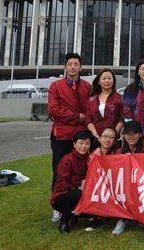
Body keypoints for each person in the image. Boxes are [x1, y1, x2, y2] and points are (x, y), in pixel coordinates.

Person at [48, 52, 90, 223]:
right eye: (70, 64)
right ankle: (57, 206)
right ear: (65, 67)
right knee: (59, 171)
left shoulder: (87, 87)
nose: (73, 67)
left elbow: (90, 108)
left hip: (80, 136)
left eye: (76, 64)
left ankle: (80, 204)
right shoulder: (56, 86)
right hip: (62, 136)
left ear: (80, 67)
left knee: (82, 171)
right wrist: (77, 117)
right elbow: (54, 110)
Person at [50, 130, 92, 234]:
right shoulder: (67, 159)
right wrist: (80, 189)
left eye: (87, 144)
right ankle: (64, 222)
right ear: (74, 144)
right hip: (63, 195)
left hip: (83, 192)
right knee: (77, 194)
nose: (84, 146)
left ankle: (75, 216)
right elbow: (64, 182)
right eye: (81, 143)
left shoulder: (90, 158)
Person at [112, 120, 144, 236]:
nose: (131, 137)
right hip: (124, 186)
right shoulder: (119, 152)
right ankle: (122, 218)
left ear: (140, 134)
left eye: (134, 133)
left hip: (141, 185)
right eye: (128, 134)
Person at [85, 68, 123, 143]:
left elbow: (121, 119)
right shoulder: (91, 100)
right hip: (96, 139)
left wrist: (112, 136)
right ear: (99, 81)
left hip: (113, 140)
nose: (107, 81)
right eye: (104, 78)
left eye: (109, 78)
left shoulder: (120, 98)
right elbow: (88, 120)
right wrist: (97, 136)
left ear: (113, 81)